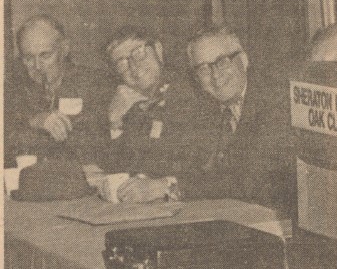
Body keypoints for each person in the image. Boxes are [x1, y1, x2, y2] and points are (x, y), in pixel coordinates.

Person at [184, 26, 295, 218]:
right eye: (203, 69)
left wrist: (173, 187)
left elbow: (249, 181)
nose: (215, 75)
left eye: (222, 62)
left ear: (243, 60)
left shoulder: (273, 102)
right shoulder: (207, 109)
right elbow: (196, 167)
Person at [101, 27, 214, 203]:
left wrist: (156, 185)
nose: (133, 66)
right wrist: (115, 121)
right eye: (122, 63)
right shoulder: (129, 104)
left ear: (158, 50)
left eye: (139, 53)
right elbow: (119, 171)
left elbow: (200, 171)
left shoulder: (192, 92)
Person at [4, 14, 112, 166]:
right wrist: (34, 121)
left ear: (64, 49)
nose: (37, 66)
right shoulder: (14, 90)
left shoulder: (95, 83)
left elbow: (101, 143)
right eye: (28, 58)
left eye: (45, 55)